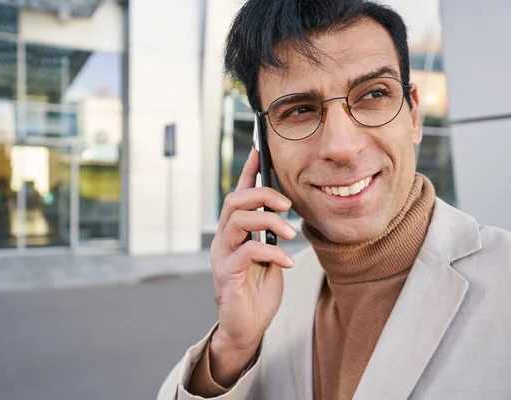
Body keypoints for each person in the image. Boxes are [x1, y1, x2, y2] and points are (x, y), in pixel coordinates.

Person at [158, 0, 511, 398]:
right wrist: (231, 350)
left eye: (374, 94)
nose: (342, 147)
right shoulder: (269, 295)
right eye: (300, 110)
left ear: (413, 116)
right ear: (264, 145)